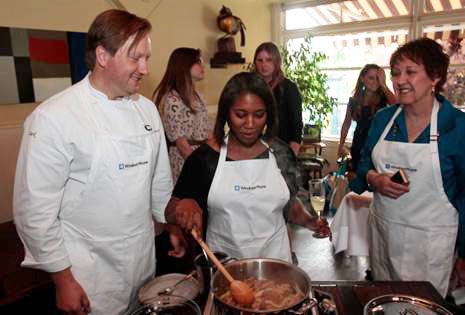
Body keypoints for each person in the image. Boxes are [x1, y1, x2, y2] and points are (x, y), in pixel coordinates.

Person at [13, 10, 173, 315]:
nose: (145, 68)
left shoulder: (148, 111)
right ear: (103, 56)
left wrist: (170, 225)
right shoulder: (54, 118)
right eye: (136, 58)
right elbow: (34, 211)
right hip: (88, 275)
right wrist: (62, 280)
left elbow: (159, 183)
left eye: (147, 58)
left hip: (142, 262)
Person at [164, 72, 326, 262]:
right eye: (240, 115)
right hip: (226, 269)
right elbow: (169, 211)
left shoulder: (281, 153)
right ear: (226, 114)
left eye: (259, 115)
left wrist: (309, 221)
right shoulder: (204, 160)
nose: (250, 124)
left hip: (277, 265)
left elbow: (288, 203)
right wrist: (183, 205)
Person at [350, 37, 465, 297]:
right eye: (396, 73)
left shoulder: (456, 127)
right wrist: (373, 179)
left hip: (431, 248)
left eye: (410, 72)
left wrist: (464, 256)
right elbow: (363, 164)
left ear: (435, 77)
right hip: (385, 240)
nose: (400, 80)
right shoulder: (383, 121)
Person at [152, 47, 209, 183]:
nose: (202, 65)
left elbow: (205, 129)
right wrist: (200, 168)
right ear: (184, 66)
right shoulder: (172, 100)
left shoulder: (197, 96)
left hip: (200, 155)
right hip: (185, 160)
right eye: (197, 61)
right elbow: (182, 144)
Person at [338, 64, 396, 171]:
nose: (375, 81)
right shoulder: (354, 100)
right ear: (362, 79)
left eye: (377, 78)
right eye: (371, 78)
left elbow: (398, 106)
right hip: (358, 144)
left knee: (374, 179)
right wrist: (341, 145)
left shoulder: (384, 97)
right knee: (357, 177)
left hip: (377, 145)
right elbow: (346, 123)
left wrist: (383, 84)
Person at [253, 42, 303, 156]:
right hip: (256, 148)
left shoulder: (289, 87)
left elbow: (297, 123)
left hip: (283, 149)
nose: (263, 65)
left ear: (276, 61)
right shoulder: (252, 87)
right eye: (260, 60)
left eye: (268, 60)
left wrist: (292, 152)